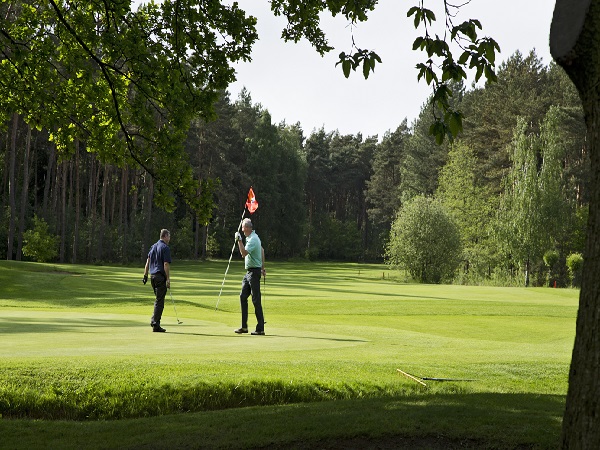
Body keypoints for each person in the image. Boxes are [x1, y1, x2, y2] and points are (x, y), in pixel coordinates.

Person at [234, 218, 266, 335]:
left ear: (247, 228)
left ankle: (260, 328)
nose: (242, 230)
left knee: (256, 299)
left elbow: (243, 253)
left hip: (254, 272)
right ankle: (244, 327)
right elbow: (262, 250)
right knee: (243, 296)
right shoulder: (252, 237)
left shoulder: (253, 239)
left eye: (243, 227)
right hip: (250, 272)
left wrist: (239, 240)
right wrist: (263, 267)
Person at [143, 229, 171, 332]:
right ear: (165, 236)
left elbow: (148, 261)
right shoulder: (165, 248)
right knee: (160, 301)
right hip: (160, 277)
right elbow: (166, 264)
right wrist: (168, 279)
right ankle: (155, 323)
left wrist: (145, 275)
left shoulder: (153, 246)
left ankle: (155, 322)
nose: (169, 238)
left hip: (153, 277)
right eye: (169, 236)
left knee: (158, 300)